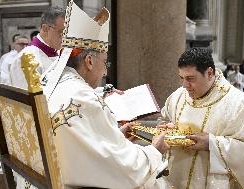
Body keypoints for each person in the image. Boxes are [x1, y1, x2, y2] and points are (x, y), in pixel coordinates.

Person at [41, 2, 169, 188]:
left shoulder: (52, 83)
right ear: (90, 61)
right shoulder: (83, 97)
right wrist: (155, 150)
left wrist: (114, 135)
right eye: (105, 62)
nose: (105, 72)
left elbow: (80, 145)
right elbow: (125, 170)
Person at [159, 48, 244, 189]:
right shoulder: (178, 97)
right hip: (175, 178)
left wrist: (212, 143)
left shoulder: (239, 105)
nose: (185, 85)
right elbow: (165, 119)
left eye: (190, 78)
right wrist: (170, 128)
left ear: (209, 73)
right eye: (181, 78)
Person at [9, 6, 65, 89]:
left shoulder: (60, 52)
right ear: (45, 29)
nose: (65, 38)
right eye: (61, 32)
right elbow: (27, 99)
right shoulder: (25, 59)